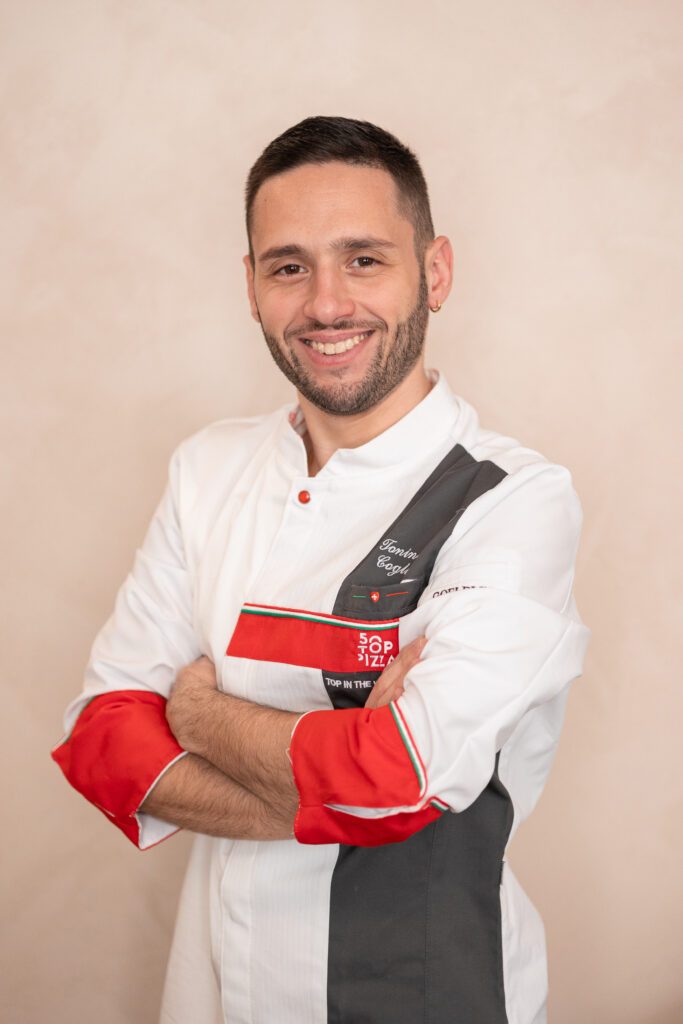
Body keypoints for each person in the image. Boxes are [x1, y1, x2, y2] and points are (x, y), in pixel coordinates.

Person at [53, 116, 589, 1024]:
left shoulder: (512, 499)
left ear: (435, 273)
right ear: (251, 288)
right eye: (288, 267)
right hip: (212, 990)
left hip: (429, 990)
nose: (326, 304)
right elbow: (99, 738)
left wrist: (197, 715)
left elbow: (401, 776)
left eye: (364, 260)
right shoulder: (207, 469)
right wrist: (342, 783)